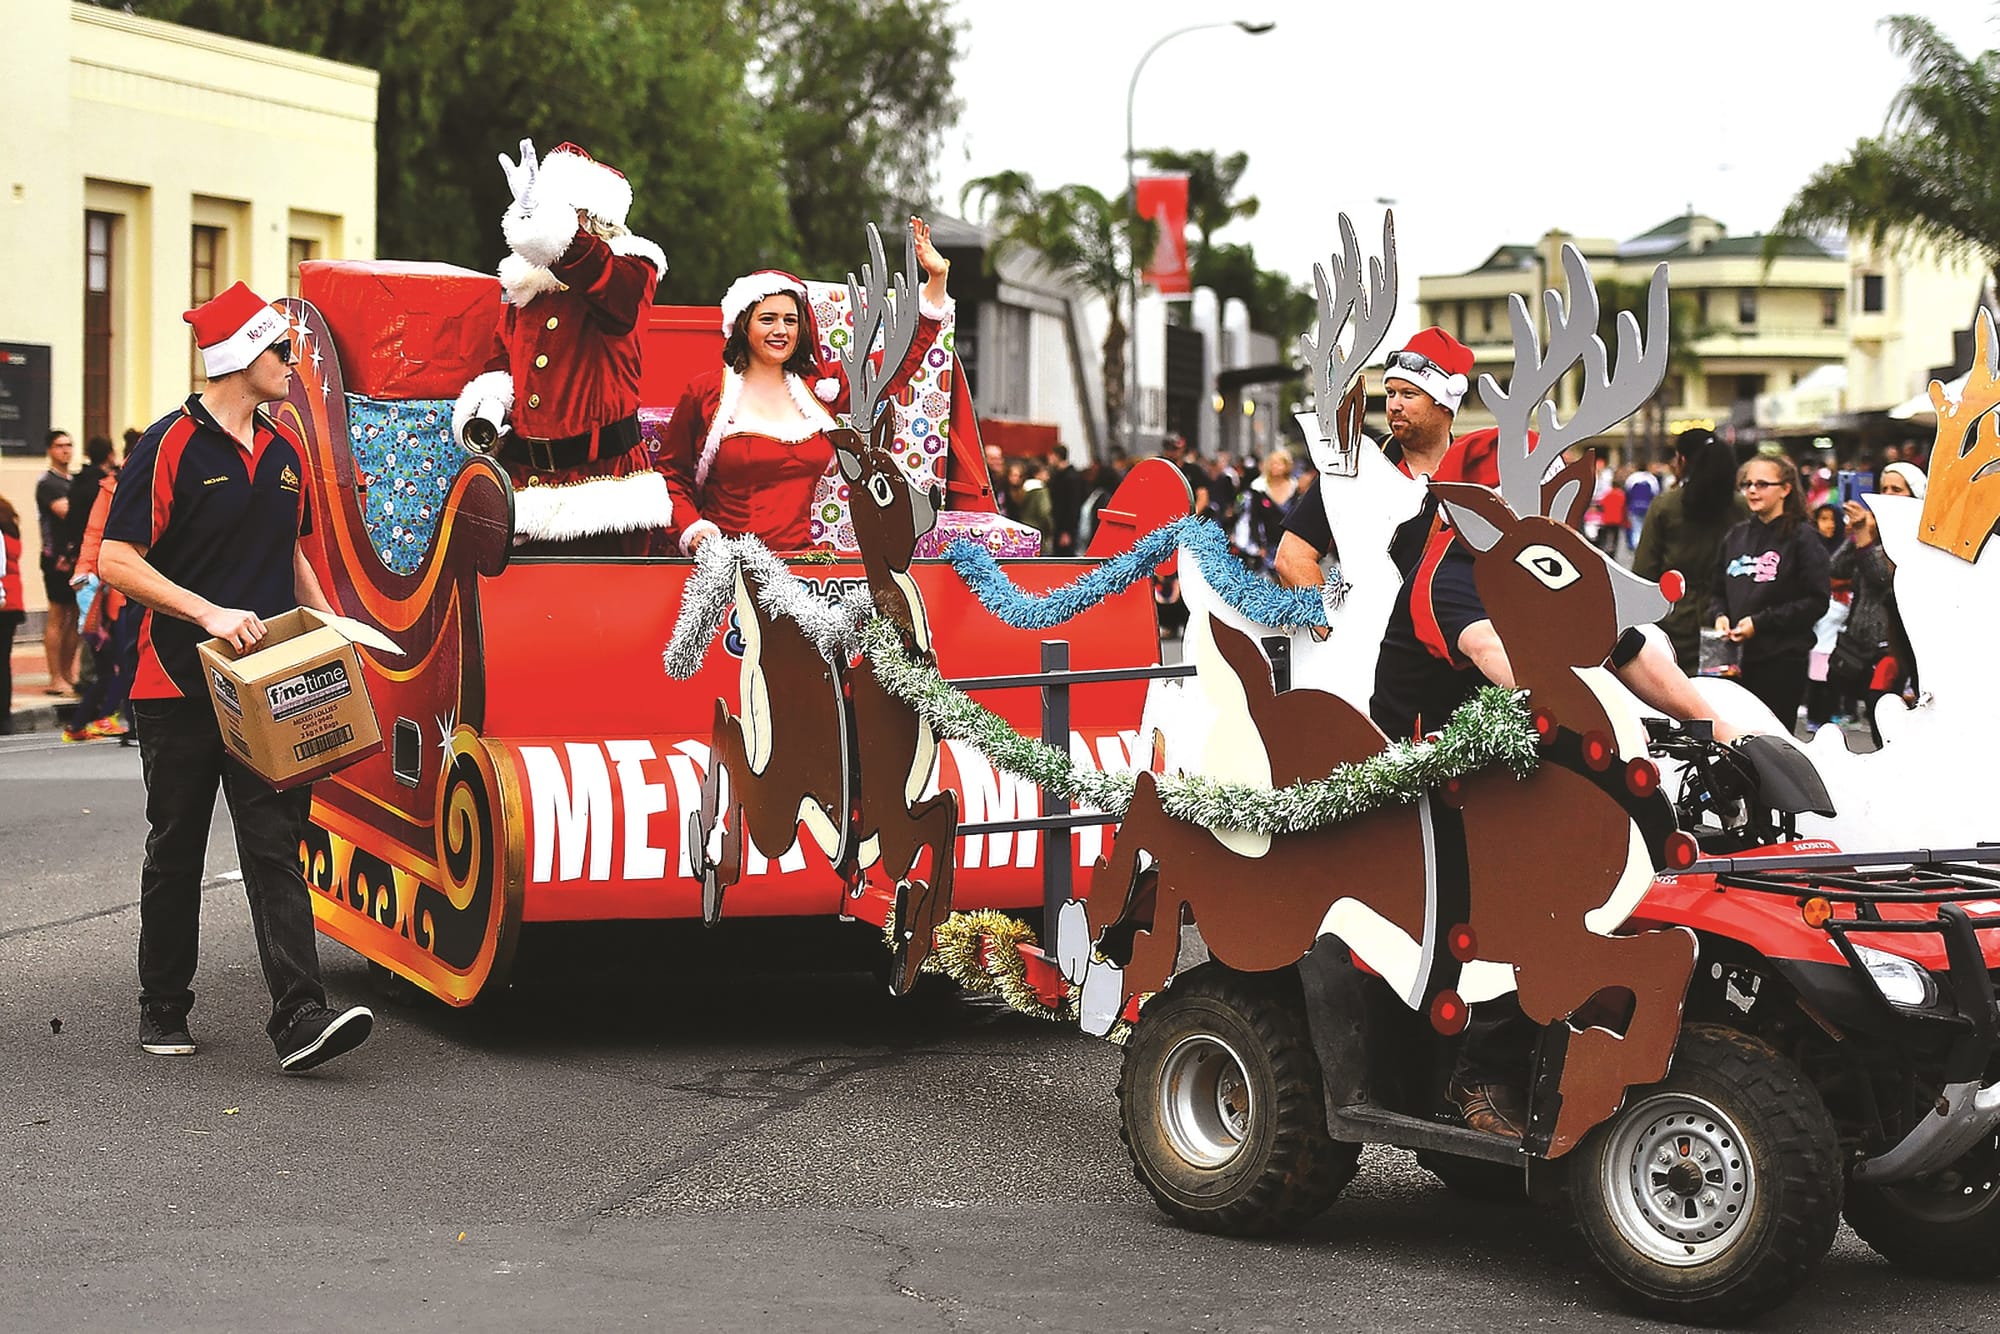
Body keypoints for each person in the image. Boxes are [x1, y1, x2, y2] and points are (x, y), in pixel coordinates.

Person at [99, 280, 374, 1070]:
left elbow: (290, 554)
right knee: (177, 847)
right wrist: (210, 612)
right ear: (241, 358)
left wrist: (329, 632)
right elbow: (117, 560)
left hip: (270, 694)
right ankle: (163, 1005)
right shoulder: (169, 445)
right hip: (180, 682)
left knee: (275, 845)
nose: (293, 363)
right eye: (282, 351)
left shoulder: (286, 451)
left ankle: (300, 1018)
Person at [658, 217, 951, 555]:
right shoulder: (705, 392)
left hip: (802, 568)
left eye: (791, 320)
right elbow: (671, 477)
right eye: (767, 319)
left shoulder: (819, 388)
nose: (781, 330)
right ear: (743, 325)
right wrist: (695, 532)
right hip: (723, 570)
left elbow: (896, 364)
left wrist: (936, 280)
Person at [451, 138, 670, 555]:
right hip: (528, 487)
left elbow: (615, 298)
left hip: (604, 493)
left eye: (557, 210)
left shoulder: (631, 270)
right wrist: (491, 405)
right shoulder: (527, 288)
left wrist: (553, 229)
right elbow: (505, 361)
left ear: (587, 216)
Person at [1276, 327, 1497, 610]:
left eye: (1409, 394)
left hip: (1452, 643)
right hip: (1366, 645)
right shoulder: (1353, 464)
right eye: (1391, 392)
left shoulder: (1479, 474)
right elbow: (1291, 557)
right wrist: (1334, 630)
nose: (1394, 405)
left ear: (1444, 403)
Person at [1709, 453, 1830, 731]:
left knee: (1769, 748)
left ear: (1785, 489)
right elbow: (1716, 591)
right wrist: (1720, 615)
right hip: (1733, 662)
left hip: (1781, 662)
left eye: (1762, 484)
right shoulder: (1735, 536)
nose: (1752, 490)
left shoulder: (1803, 537)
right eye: (1747, 484)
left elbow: (1816, 601)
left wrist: (1760, 622)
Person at [1633, 429, 1749, 676]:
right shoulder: (1741, 507)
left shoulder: (1666, 506)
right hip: (1730, 621)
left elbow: (1644, 573)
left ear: (1682, 461)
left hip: (1676, 623)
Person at [64, 471, 135, 743]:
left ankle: (97, 721)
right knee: (120, 666)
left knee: (115, 669)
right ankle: (121, 721)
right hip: (117, 594)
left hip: (128, 591)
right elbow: (94, 536)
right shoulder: (111, 489)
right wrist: (84, 571)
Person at [36, 429, 77, 694]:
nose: (66, 450)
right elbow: (66, 512)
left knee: (75, 617)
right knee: (57, 616)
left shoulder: (73, 481)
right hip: (55, 558)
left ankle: (68, 672)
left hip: (75, 559)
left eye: (69, 445)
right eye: (60, 446)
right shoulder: (48, 483)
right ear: (50, 450)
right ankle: (55, 677)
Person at [1237, 448, 1300, 572]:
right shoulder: (1259, 488)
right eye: (1272, 463)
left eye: (1279, 463)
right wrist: (1258, 545)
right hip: (1267, 544)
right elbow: (1253, 518)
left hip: (1290, 543)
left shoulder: (1295, 487)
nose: (1275, 467)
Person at [0, 492, 22, 734]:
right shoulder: (10, 529)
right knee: (3, 661)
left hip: (4, 597)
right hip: (12, 599)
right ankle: (4, 717)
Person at [1046, 443, 1083, 554]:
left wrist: (1067, 532)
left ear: (1057, 456)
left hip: (1065, 529)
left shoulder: (1070, 478)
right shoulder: (1060, 476)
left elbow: (1073, 506)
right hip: (1059, 527)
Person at [1623, 460, 1659, 551]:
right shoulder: (1651, 478)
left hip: (1634, 506)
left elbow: (1627, 492)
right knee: (1646, 529)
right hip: (1648, 507)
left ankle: (1637, 548)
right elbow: (1656, 493)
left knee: (1636, 528)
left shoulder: (1632, 478)